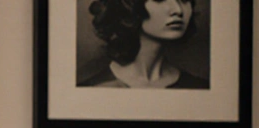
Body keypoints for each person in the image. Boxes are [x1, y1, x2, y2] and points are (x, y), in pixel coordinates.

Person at [80, 0, 209, 89]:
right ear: (129, 6)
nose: (178, 10)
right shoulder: (92, 89)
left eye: (184, 0)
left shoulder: (199, 88)